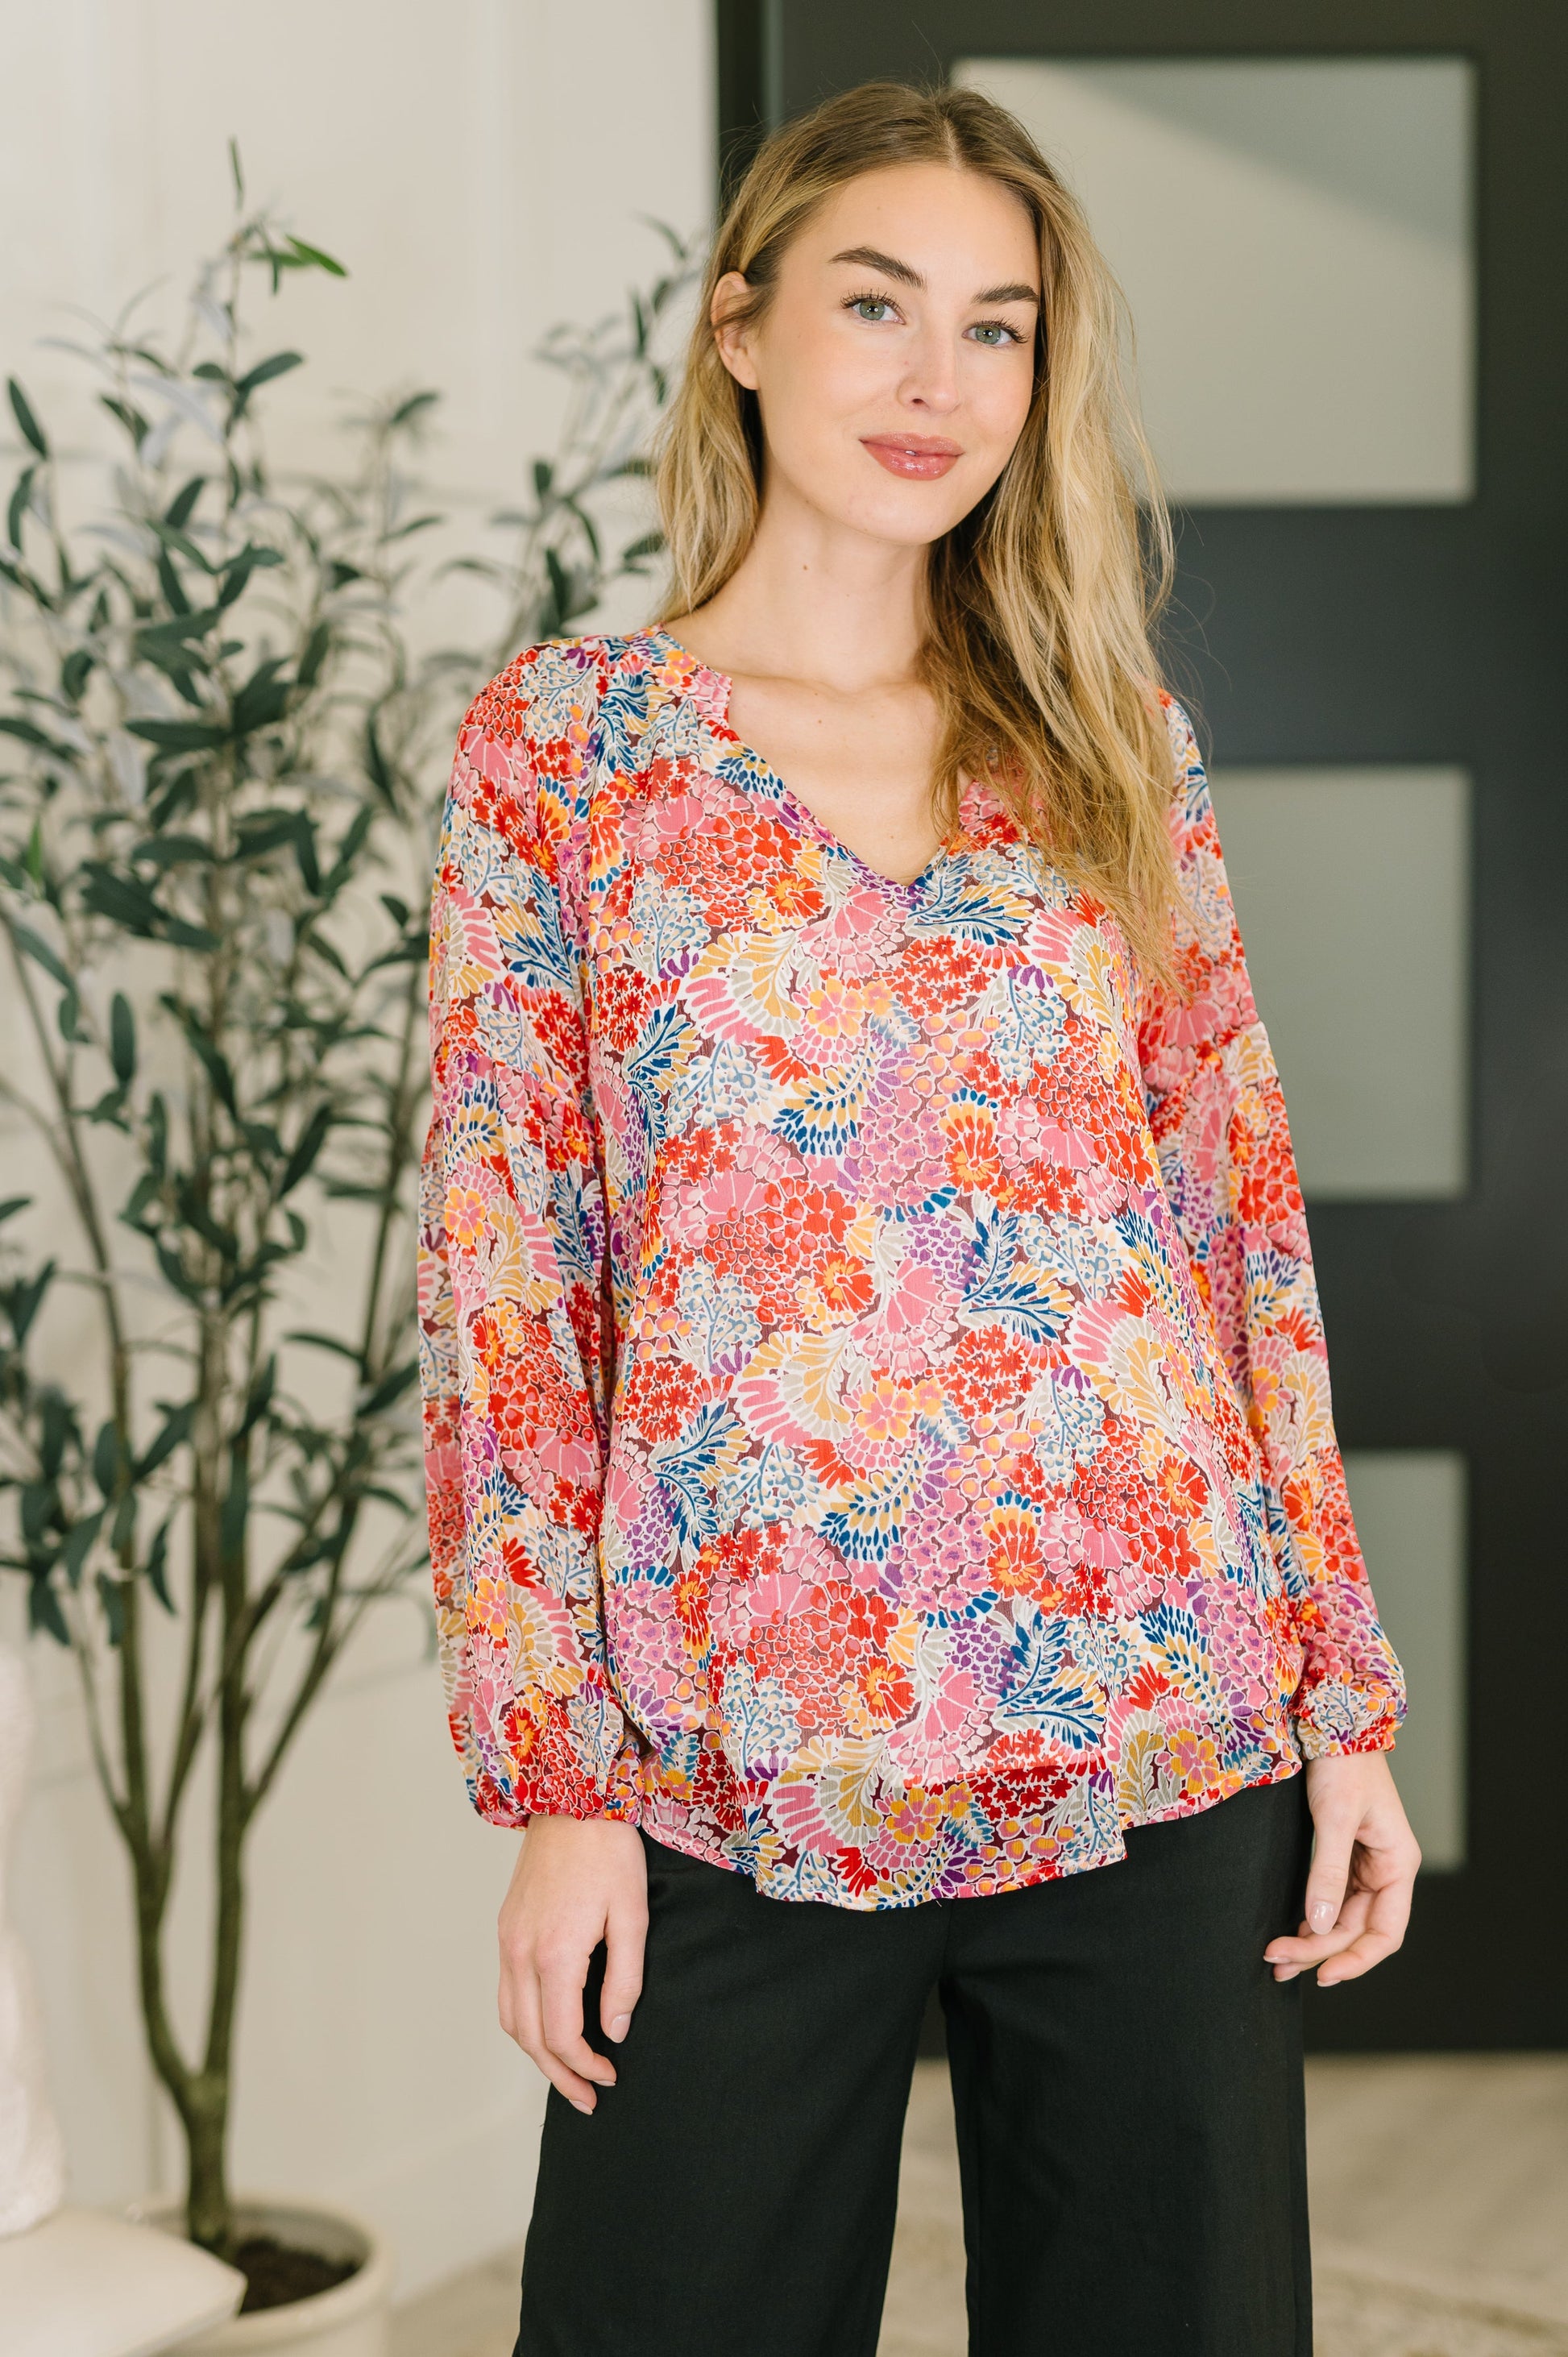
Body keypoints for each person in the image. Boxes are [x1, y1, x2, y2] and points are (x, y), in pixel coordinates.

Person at [417, 78, 1418, 2357]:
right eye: (878, 305)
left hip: (1159, 1723)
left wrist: (1337, 1707)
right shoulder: (565, 751)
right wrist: (560, 1790)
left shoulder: (1103, 739)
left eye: (997, 327)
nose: (936, 380)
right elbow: (506, 1287)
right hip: (738, 1758)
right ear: (739, 330)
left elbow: (1230, 1224)